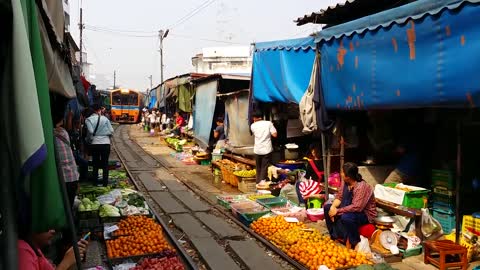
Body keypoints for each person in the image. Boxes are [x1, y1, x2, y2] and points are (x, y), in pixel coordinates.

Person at [323, 162, 377, 249]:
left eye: (342, 172)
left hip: (364, 214)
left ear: (348, 176)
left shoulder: (361, 187)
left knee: (346, 217)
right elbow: (339, 196)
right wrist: (333, 207)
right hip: (349, 208)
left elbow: (357, 207)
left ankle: (355, 241)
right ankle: (335, 236)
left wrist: (338, 211)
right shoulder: (345, 182)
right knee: (327, 207)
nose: (341, 174)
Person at [18, 227, 88, 270]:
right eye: (47, 228)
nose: (53, 231)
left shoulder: (35, 248)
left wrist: (72, 258)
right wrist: (66, 263)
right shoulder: (22, 251)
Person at [52, 109, 79, 208]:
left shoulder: (50, 134)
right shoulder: (64, 132)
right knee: (69, 204)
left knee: (62, 205)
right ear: (61, 120)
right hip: (72, 175)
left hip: (60, 177)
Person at [86, 104, 114, 187]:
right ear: (99, 110)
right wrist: (104, 133)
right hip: (106, 144)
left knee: (95, 164)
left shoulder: (88, 120)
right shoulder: (105, 119)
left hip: (95, 144)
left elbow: (90, 131)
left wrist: (93, 137)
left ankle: (95, 183)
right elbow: (111, 131)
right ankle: (105, 183)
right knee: (105, 164)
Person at [250, 110, 277, 184]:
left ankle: (258, 182)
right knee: (264, 167)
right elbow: (275, 135)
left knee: (258, 167)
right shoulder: (268, 123)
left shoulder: (252, 126)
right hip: (266, 149)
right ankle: (262, 182)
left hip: (257, 149)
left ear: (254, 118)